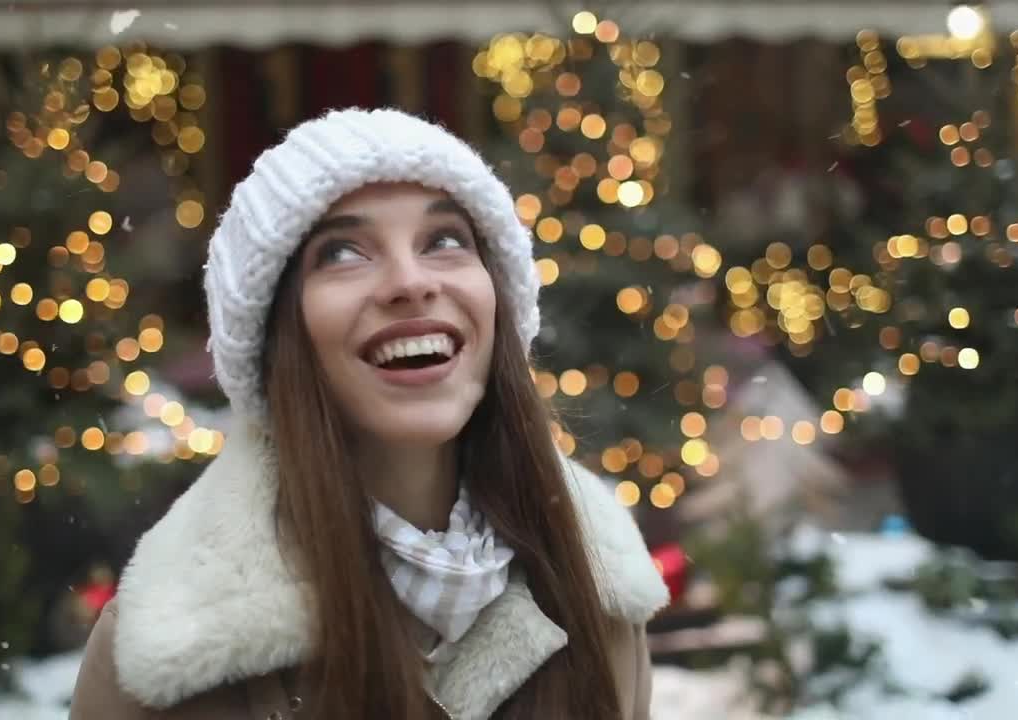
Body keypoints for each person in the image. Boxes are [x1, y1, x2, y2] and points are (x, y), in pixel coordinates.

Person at [69, 108, 669, 720]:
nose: (410, 282)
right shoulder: (163, 655)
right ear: (276, 334)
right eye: (343, 253)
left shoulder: (600, 595)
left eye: (443, 241)